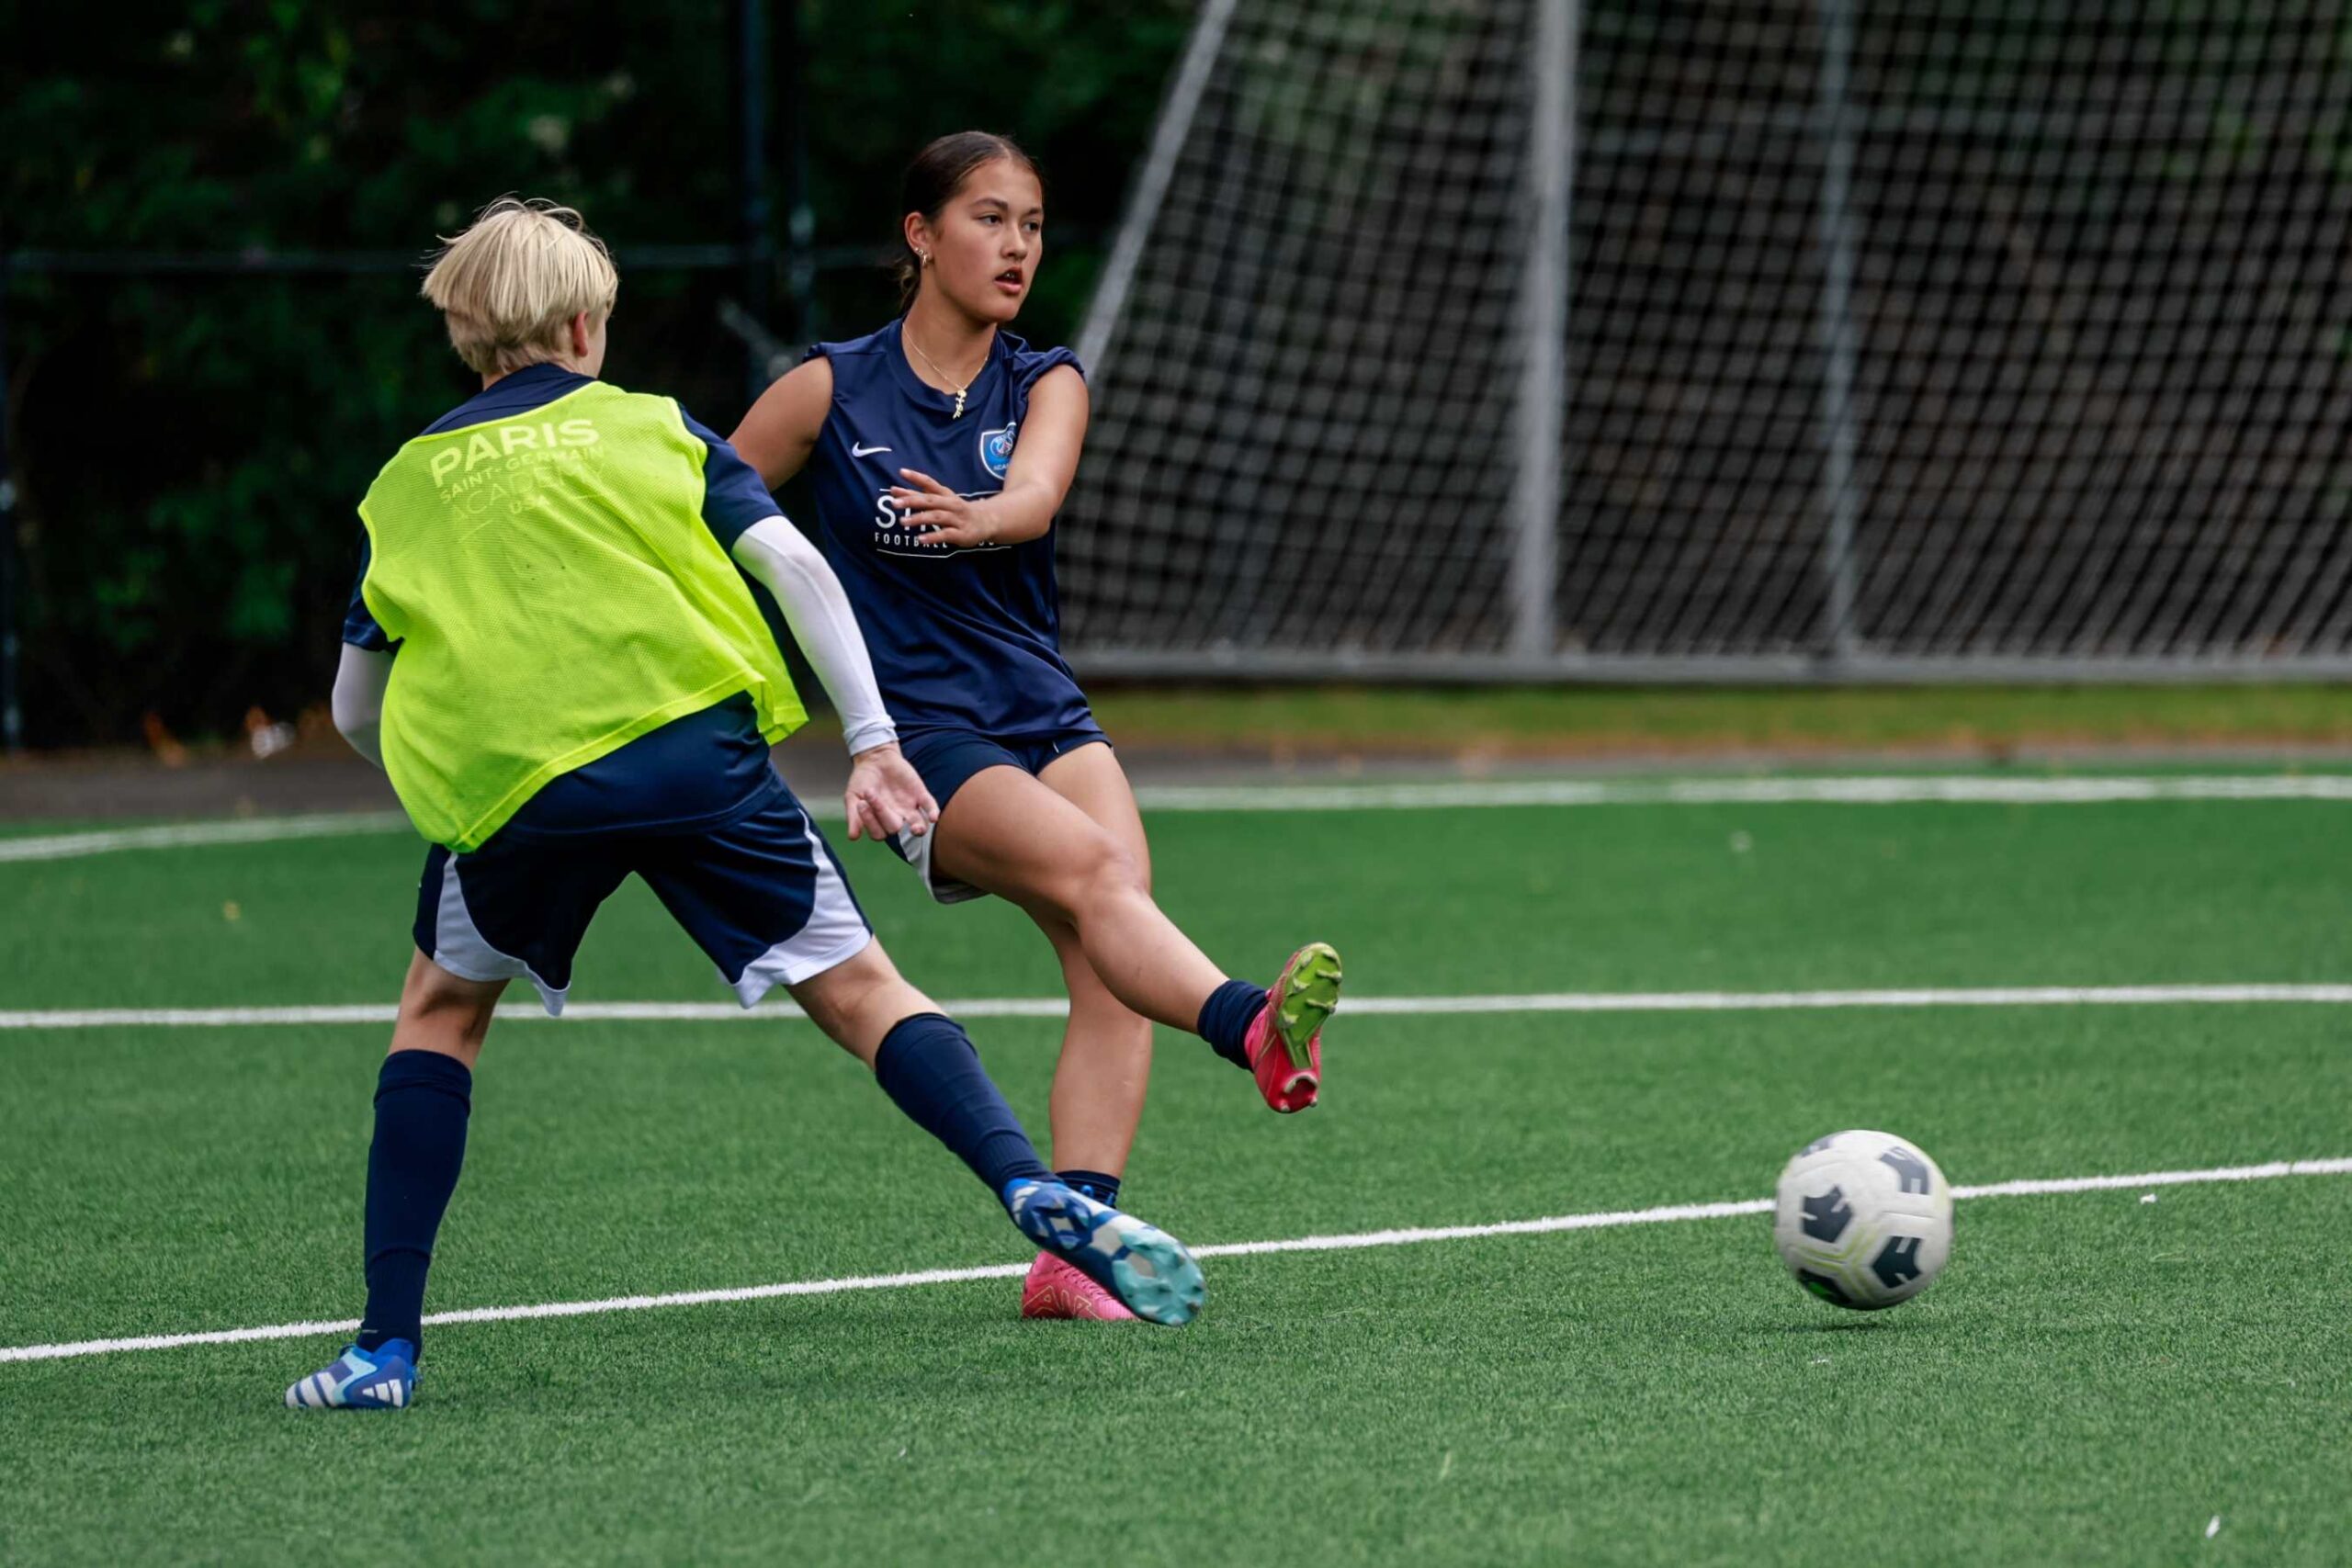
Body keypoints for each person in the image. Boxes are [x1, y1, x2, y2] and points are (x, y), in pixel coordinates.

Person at [285, 197, 1203, 1411]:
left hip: (522, 790)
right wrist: (872, 743)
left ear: (468, 335)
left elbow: (356, 706)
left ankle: (383, 1351)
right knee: (869, 994)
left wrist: (434, 775)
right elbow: (798, 567)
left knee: (441, 1015)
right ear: (582, 323)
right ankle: (1033, 1184)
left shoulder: (408, 482)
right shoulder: (657, 429)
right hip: (698, 760)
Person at [729, 133, 1341, 1324]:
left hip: (1041, 706)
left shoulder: (1044, 378)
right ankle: (1250, 1025)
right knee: (1097, 875)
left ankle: (1074, 1250)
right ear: (920, 234)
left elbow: (1038, 494)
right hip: (920, 734)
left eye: (1034, 224)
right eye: (990, 219)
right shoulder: (827, 388)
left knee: (1111, 941)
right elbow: (707, 511)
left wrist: (986, 517)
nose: (1017, 246)